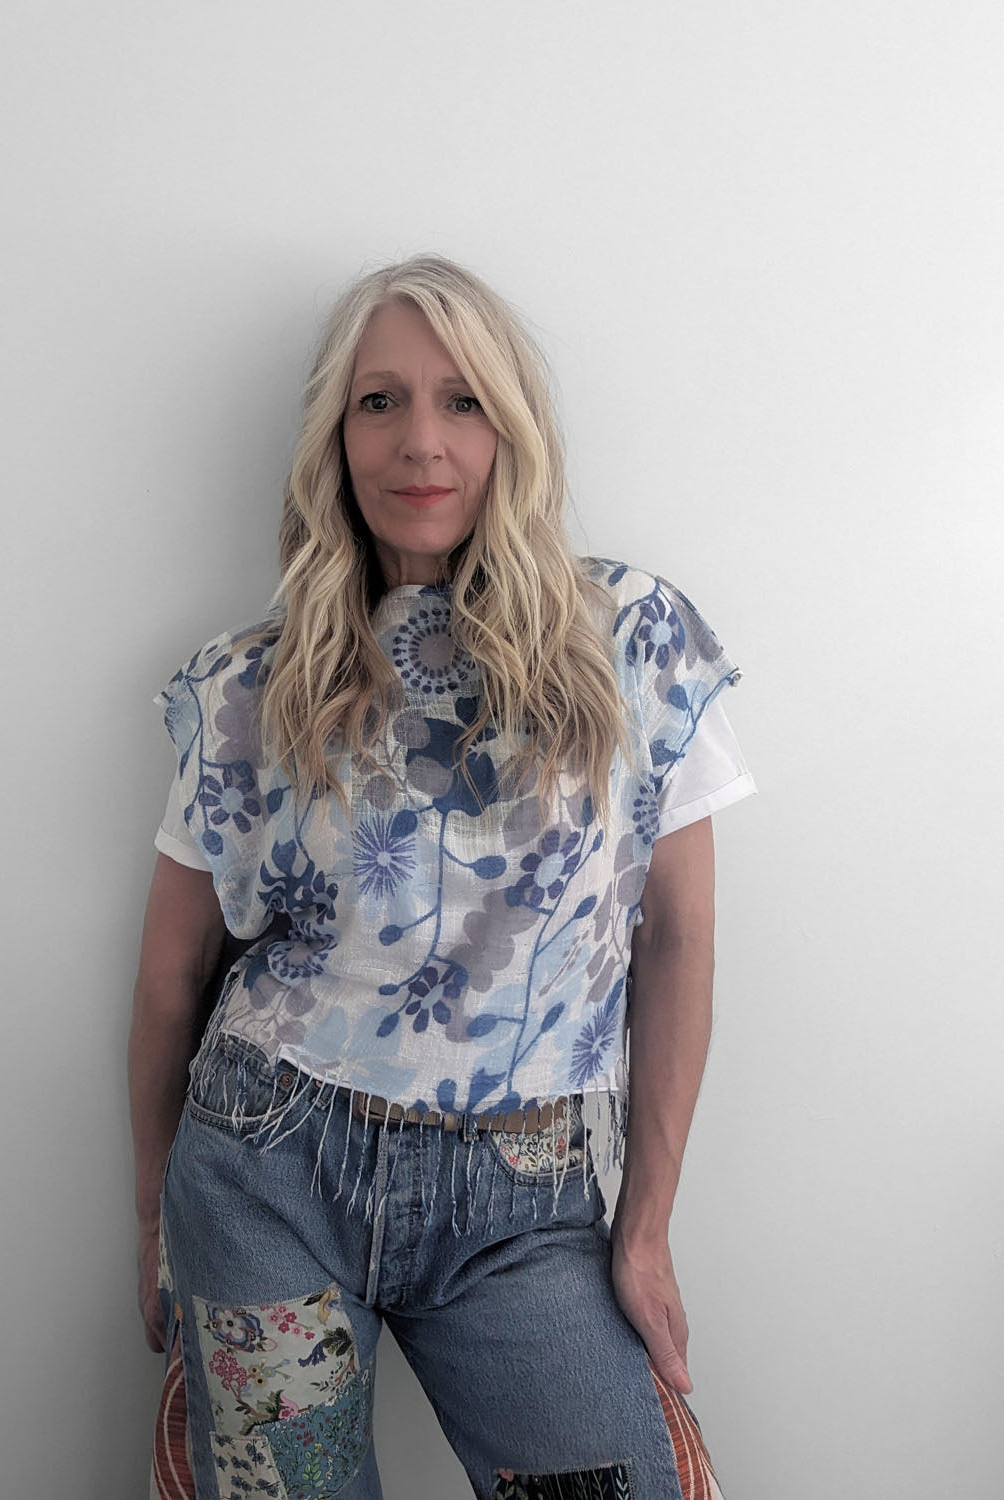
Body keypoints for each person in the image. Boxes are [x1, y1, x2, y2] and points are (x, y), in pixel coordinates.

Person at [129, 254, 756, 1500]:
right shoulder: (249, 685)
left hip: (524, 1203)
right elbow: (170, 979)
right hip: (266, 1170)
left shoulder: (628, 641)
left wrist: (647, 1223)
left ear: (512, 431)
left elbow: (678, 936)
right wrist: (154, 1219)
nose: (421, 441)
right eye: (381, 401)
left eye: (463, 400)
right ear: (335, 435)